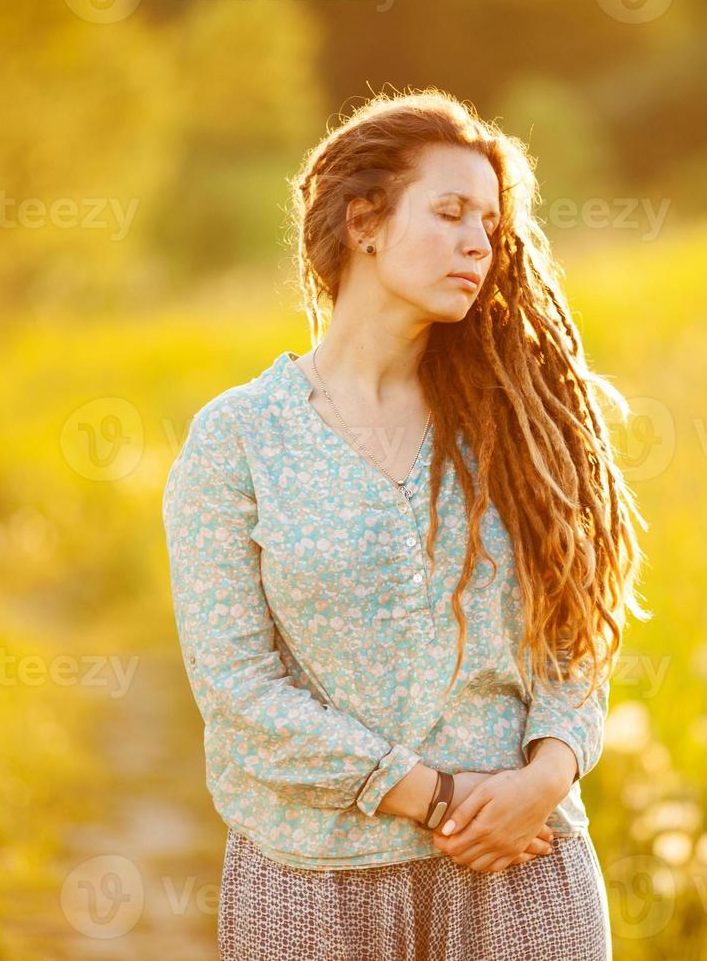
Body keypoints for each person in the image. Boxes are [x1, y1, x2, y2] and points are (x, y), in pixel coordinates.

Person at [162, 88, 649, 960]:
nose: (478, 242)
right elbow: (237, 687)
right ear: (364, 223)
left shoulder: (520, 422)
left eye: (491, 226)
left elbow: (576, 631)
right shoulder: (237, 438)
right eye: (451, 211)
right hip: (310, 878)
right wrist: (426, 794)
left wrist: (548, 774)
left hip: (522, 863)